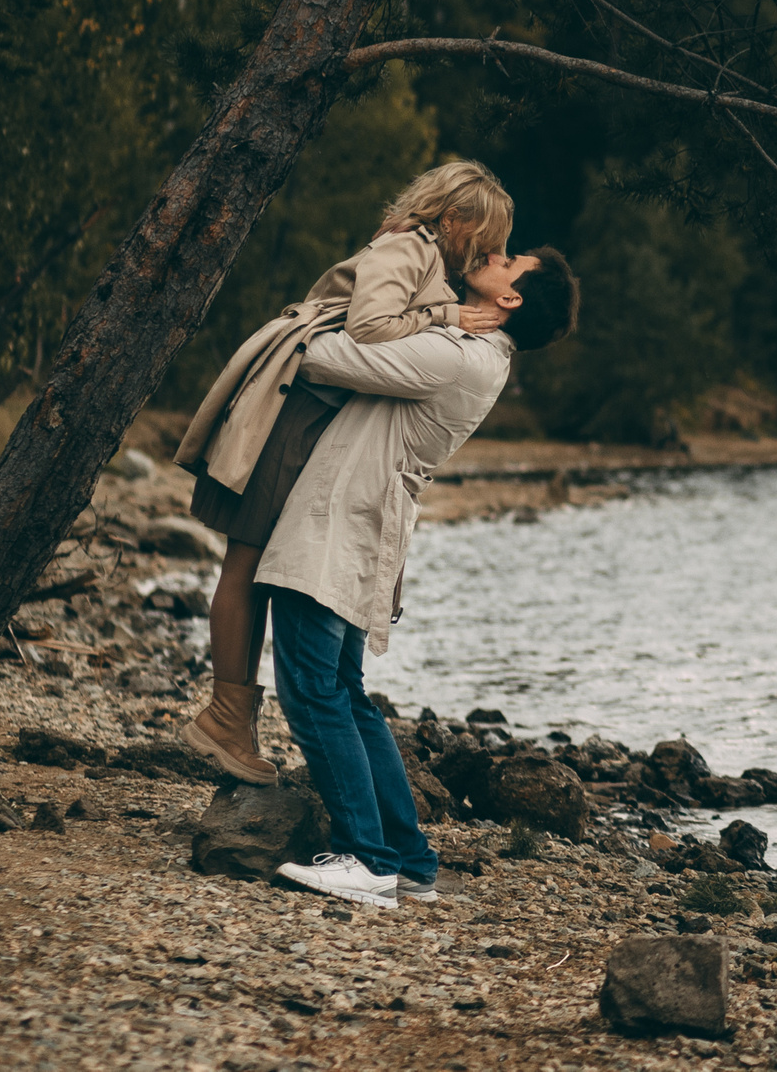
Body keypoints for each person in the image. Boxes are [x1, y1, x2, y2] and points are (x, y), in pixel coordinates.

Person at [175, 162, 515, 785]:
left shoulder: (422, 255)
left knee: (252, 570)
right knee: (245, 566)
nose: (491, 252)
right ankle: (224, 717)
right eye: (488, 237)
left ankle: (232, 720)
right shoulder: (406, 246)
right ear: (453, 219)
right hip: (292, 411)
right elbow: (370, 328)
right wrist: (448, 319)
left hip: (310, 416)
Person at [265, 245, 581, 910]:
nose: (497, 254)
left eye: (511, 259)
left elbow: (324, 355)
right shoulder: (471, 351)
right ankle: (410, 862)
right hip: (364, 523)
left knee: (314, 693)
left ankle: (368, 861)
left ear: (512, 298)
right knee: (344, 693)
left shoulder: (456, 355)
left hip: (341, 524)